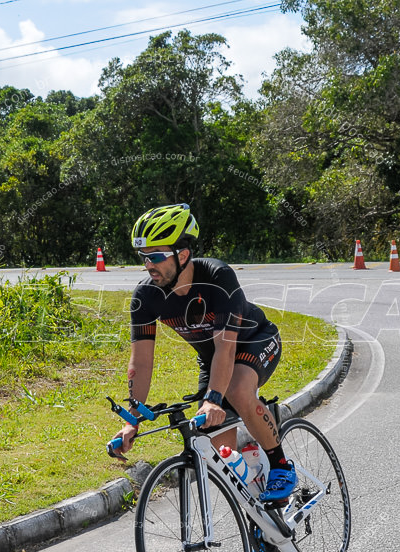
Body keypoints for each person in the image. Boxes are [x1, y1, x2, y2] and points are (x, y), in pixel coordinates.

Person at [110, 204, 295, 530]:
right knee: (220, 454)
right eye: (144, 257)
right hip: (213, 360)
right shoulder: (146, 296)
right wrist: (131, 419)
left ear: (183, 254)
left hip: (253, 341)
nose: (148, 264)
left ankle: (281, 464)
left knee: (237, 391)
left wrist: (213, 398)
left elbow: (227, 347)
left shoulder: (217, 277)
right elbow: (141, 361)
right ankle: (264, 525)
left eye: (156, 256)